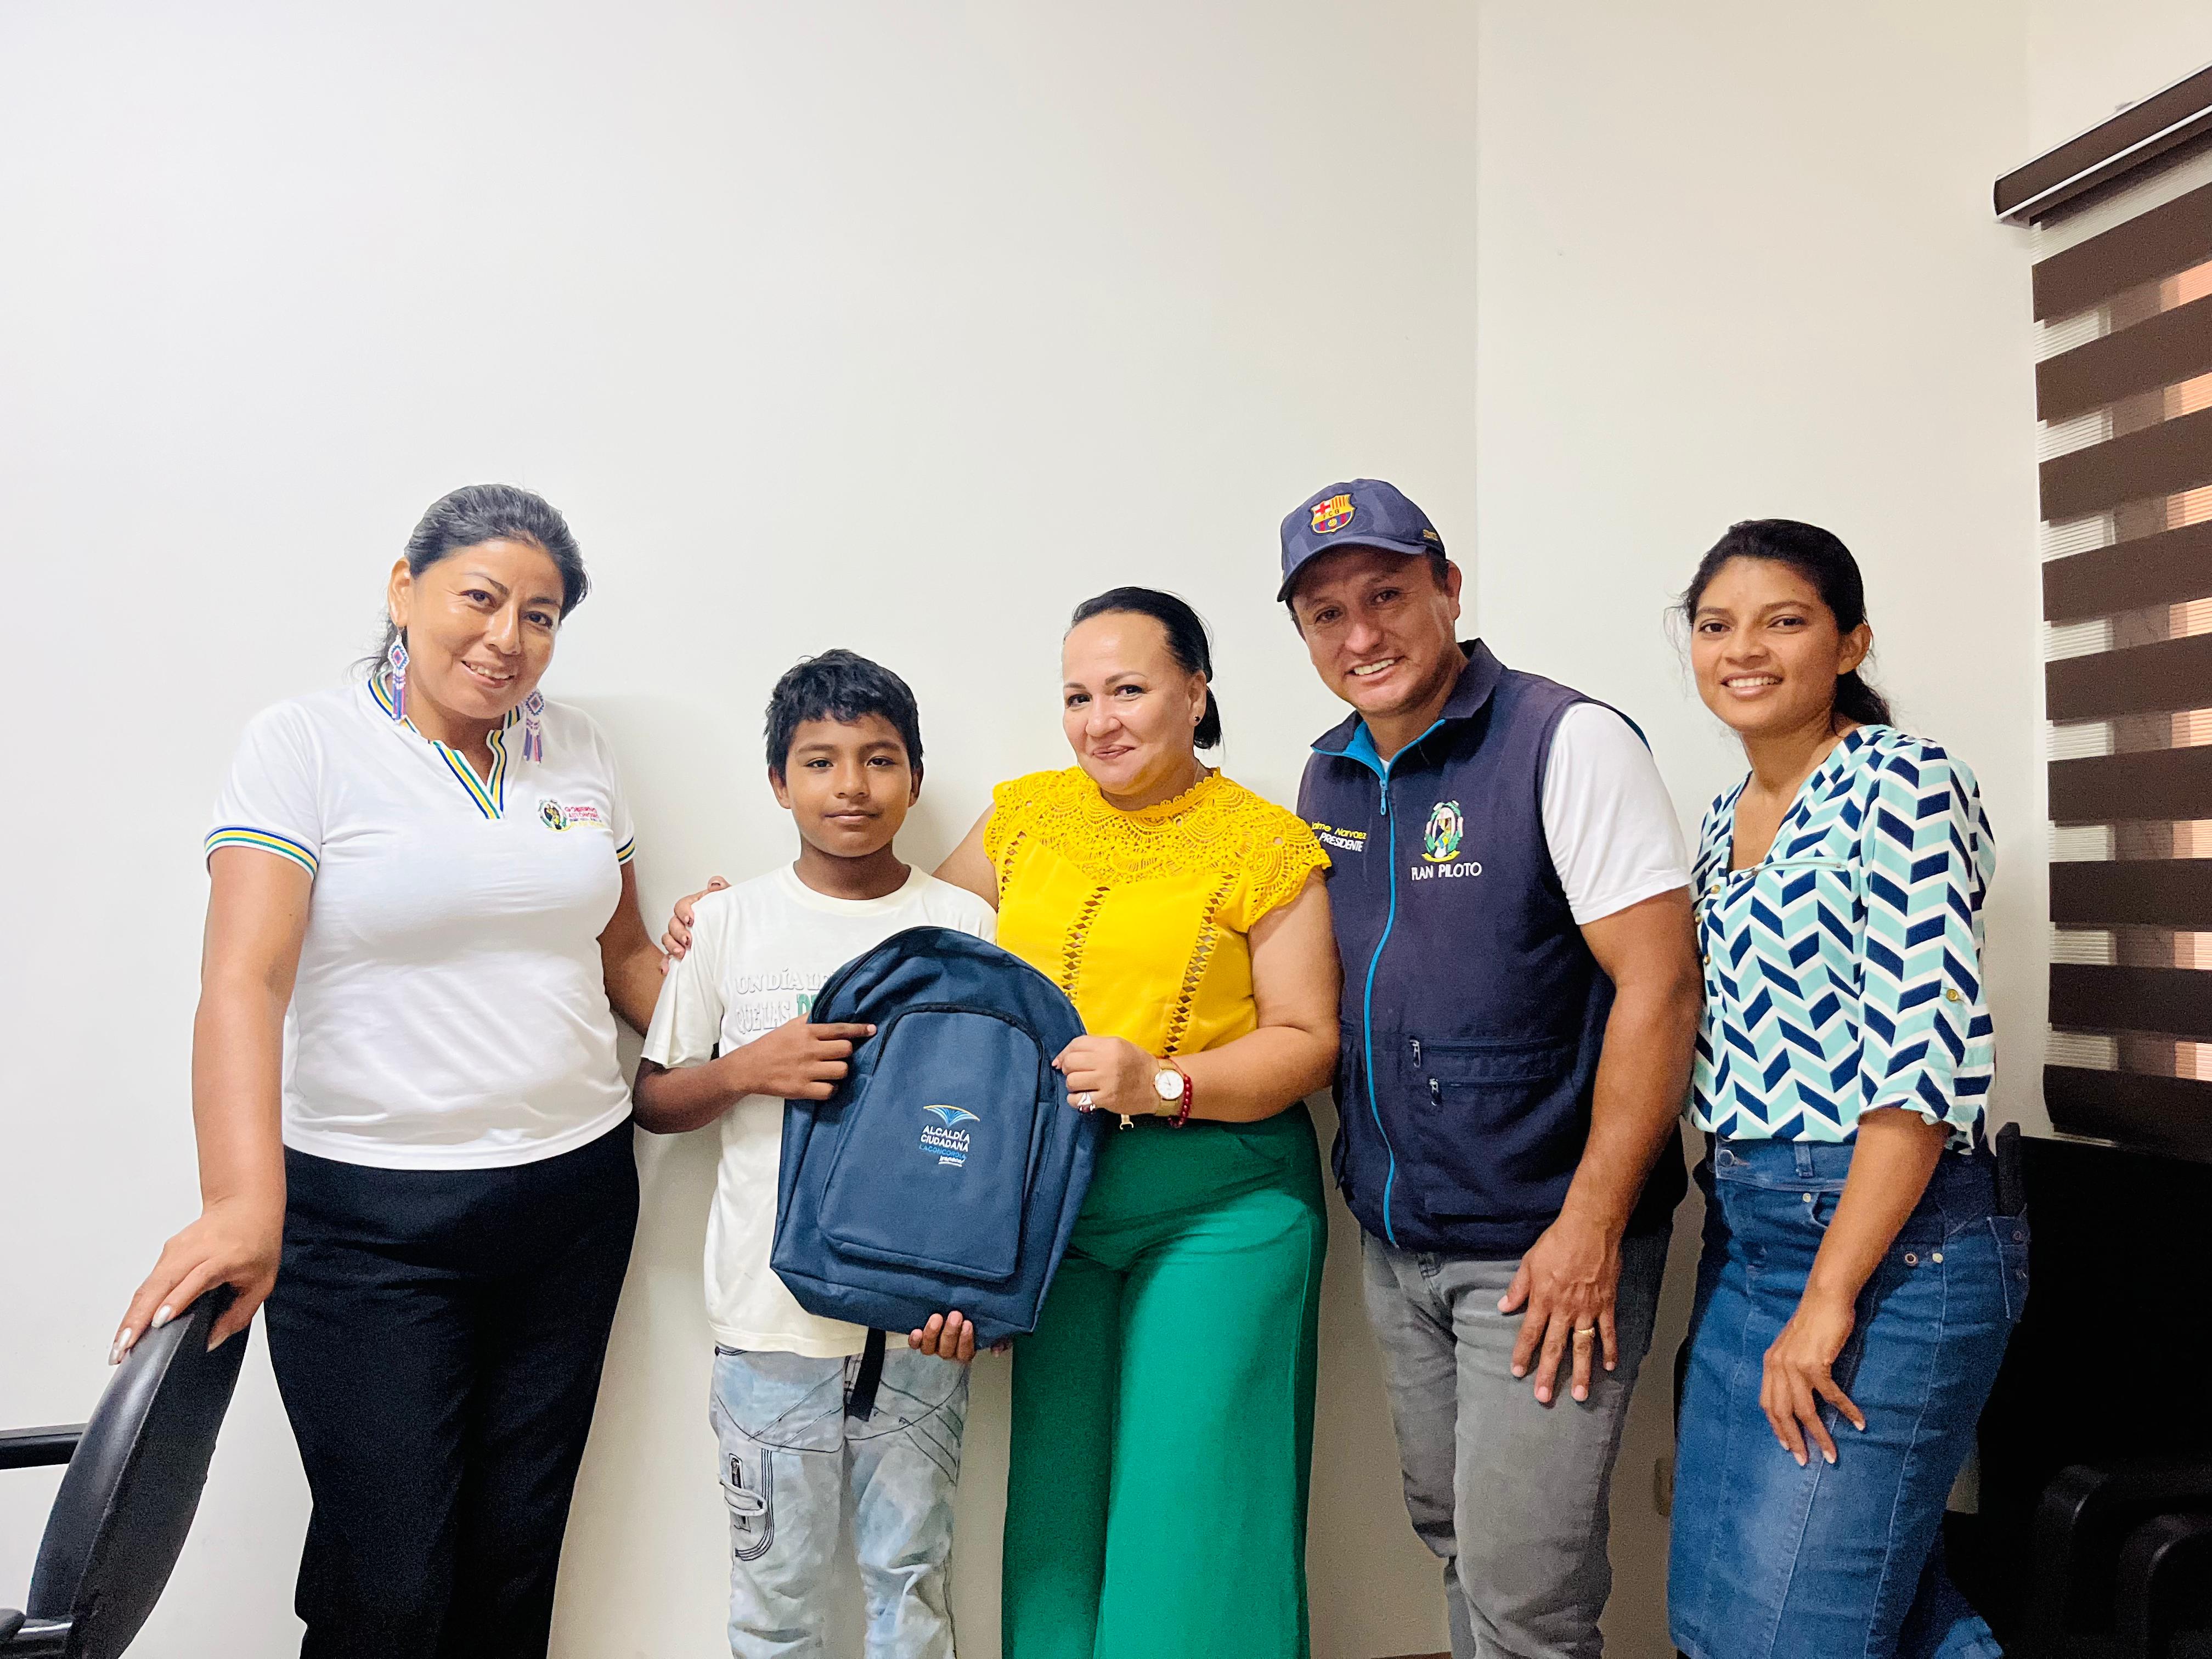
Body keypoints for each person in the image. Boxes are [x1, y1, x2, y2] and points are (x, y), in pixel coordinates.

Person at [111, 484, 665, 1658]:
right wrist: (240, 1202)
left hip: (571, 1202)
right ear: (405, 588)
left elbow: (623, 957)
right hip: (367, 1224)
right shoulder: (305, 743)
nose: (507, 638)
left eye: (541, 616)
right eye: (481, 598)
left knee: (514, 1559)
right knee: (391, 1583)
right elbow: (244, 981)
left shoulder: (579, 749)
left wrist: (734, 1011)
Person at [1282, 479, 1703, 1659]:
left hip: (1544, 1243)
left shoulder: (1565, 740)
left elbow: (1663, 987)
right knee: (1457, 1537)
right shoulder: (1326, 776)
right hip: (1399, 1237)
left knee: (1526, 1589)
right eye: (1326, 615)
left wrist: (1591, 1227)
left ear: (1449, 589)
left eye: (1386, 595)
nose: (1361, 635)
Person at [933, 587, 1340, 1659]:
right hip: (1052, 1213)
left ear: (1195, 694)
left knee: (1193, 1505)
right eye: (1078, 696)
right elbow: (917, 944)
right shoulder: (1023, 818)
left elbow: (1308, 1041)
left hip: (1221, 1205)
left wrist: (1158, 1081)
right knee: (1054, 1503)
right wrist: (735, 918)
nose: (1099, 720)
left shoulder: (1265, 843)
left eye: (1128, 690)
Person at [1666, 521, 2023, 1659]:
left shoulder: (1904, 779)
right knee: (1732, 1614)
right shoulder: (1723, 818)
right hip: (1750, 1232)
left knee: (1793, 1634)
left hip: (1893, 1247)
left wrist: (1830, 1298)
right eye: (1716, 624)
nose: (1743, 649)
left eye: (1785, 621)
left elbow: (1922, 1063)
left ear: (1850, 642)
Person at [635, 650, 994, 1659]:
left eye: (879, 760)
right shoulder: (727, 923)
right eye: (820, 761)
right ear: (777, 782)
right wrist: (750, 1068)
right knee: (775, 1600)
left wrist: (976, 1292)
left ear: (914, 779)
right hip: (767, 1324)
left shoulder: (965, 924)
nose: (851, 786)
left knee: (913, 1588)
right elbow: (654, 1100)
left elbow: (989, 1134)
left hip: (919, 1328)